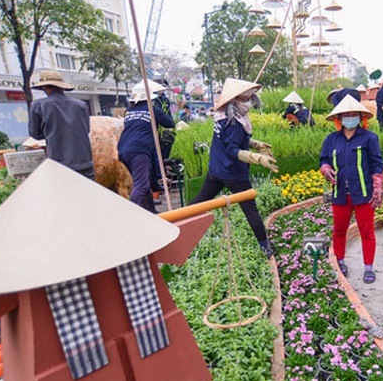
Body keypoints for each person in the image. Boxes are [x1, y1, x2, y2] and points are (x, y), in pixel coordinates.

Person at [188, 78, 278, 257]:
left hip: (216, 169)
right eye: (246, 98)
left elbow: (232, 140)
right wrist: (257, 158)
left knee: (199, 203)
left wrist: (255, 144)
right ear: (236, 99)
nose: (248, 102)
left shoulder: (224, 115)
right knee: (250, 209)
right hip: (233, 172)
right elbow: (232, 149)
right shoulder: (234, 121)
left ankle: (177, 224)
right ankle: (265, 247)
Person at [319, 94, 383, 283]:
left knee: (367, 231)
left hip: (364, 194)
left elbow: (377, 164)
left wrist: (378, 185)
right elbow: (324, 159)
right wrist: (325, 168)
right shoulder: (331, 139)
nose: (350, 118)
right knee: (339, 230)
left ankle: (369, 267)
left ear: (360, 117)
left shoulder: (370, 138)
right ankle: (340, 261)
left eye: (353, 114)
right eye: (345, 115)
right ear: (338, 119)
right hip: (340, 194)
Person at [117, 81, 175, 213]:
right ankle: (130, 215)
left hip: (123, 149)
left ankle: (151, 211)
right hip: (139, 150)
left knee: (144, 181)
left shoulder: (129, 110)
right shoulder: (152, 110)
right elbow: (170, 123)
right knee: (142, 186)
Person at [28, 70, 95, 179]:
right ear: (61, 87)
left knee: (63, 194)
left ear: (46, 88)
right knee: (88, 194)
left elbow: (36, 134)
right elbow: (86, 130)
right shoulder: (81, 105)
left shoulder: (38, 105)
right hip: (84, 162)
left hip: (58, 163)